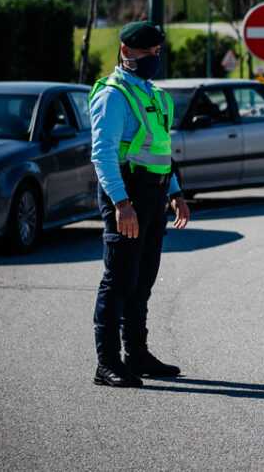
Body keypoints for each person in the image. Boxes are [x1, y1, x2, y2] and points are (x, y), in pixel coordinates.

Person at [89, 21, 190, 388]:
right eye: (147, 53)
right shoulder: (113, 95)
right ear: (126, 52)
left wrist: (176, 193)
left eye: (157, 53)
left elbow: (162, 150)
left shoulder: (154, 95)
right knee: (118, 280)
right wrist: (121, 202)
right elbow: (102, 155)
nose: (153, 59)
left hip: (154, 194)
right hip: (127, 195)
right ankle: (108, 363)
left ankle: (137, 354)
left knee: (142, 280)